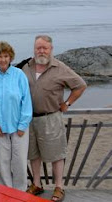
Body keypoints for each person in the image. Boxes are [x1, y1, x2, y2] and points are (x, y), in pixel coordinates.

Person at [16, 35, 87, 202]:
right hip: (29, 119)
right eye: (38, 47)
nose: (41, 50)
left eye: (44, 48)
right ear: (34, 49)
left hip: (51, 118)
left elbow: (81, 85)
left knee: (56, 154)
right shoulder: (25, 67)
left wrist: (67, 103)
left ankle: (58, 187)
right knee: (33, 154)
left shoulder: (60, 67)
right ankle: (36, 184)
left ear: (51, 49)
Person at [0, 41, 32, 191]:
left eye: (6, 56)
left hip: (19, 127)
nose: (3, 59)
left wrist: (23, 125)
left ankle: (20, 192)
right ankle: (5, 192)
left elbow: (26, 101)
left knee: (20, 162)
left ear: (10, 57)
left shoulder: (19, 75)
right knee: (2, 162)